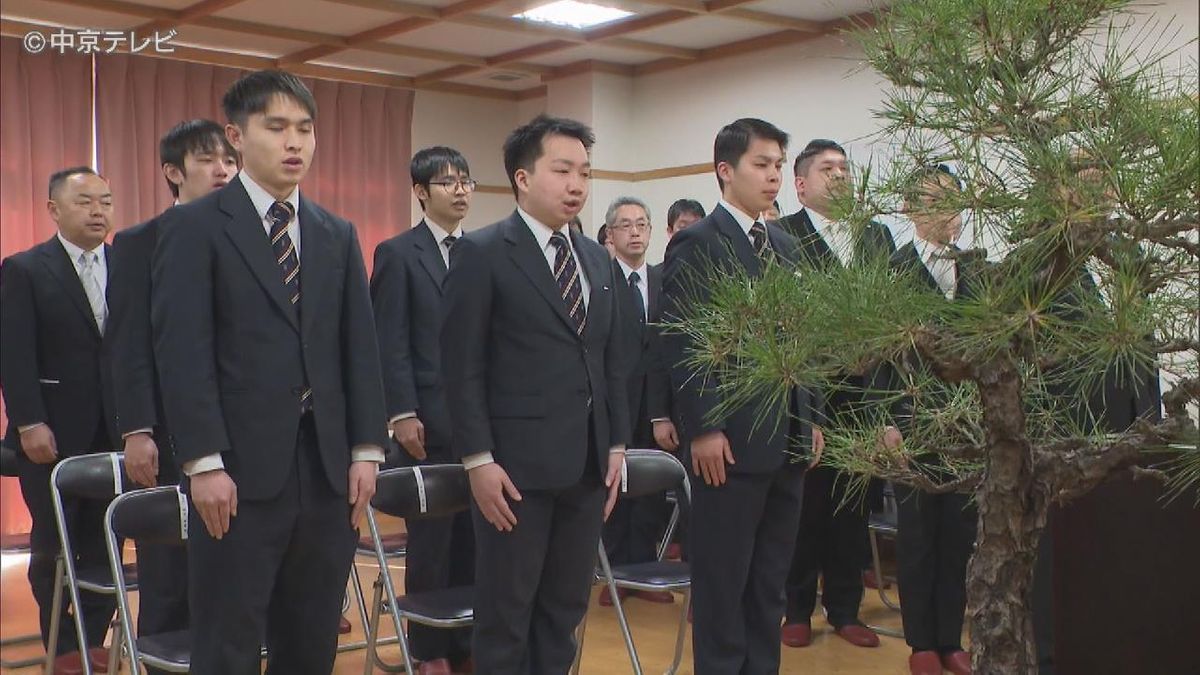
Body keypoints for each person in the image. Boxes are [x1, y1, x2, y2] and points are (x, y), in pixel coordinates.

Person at [151, 70, 388, 675]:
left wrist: (366, 448)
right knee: (229, 640)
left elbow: (359, 348)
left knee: (310, 638)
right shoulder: (195, 227)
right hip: (236, 473)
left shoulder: (336, 233)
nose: (295, 143)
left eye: (306, 129)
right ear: (236, 136)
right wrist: (203, 462)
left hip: (327, 470)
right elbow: (183, 353)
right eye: (277, 127)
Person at [440, 114, 630, 673]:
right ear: (523, 178)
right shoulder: (482, 252)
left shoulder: (597, 259)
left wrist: (616, 445)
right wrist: (478, 459)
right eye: (563, 170)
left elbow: (610, 360)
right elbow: (461, 367)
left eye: (585, 173)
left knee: (563, 610)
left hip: (588, 466)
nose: (577, 185)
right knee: (506, 613)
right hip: (513, 471)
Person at [661, 118, 823, 674]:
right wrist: (704, 426)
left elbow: (803, 335)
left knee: (768, 583)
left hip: (788, 438)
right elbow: (684, 340)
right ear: (726, 171)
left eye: (779, 164)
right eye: (762, 164)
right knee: (724, 583)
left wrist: (812, 415)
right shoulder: (697, 243)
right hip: (729, 441)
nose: (774, 175)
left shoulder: (784, 242)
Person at [107, 119, 238, 673]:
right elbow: (128, 344)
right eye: (209, 159)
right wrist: (137, 428)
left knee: (231, 571)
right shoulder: (140, 242)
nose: (224, 169)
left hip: (237, 429)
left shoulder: (245, 236)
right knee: (167, 570)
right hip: (166, 428)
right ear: (173, 172)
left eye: (229, 160)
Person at [778, 138, 897, 649]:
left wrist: (890, 411)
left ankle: (846, 608)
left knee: (854, 506)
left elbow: (894, 324)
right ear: (801, 184)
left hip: (866, 394)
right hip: (811, 395)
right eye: (828, 169)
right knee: (807, 507)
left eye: (846, 168)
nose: (841, 176)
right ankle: (797, 607)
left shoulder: (876, 237)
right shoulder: (785, 237)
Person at [0, 167, 118, 672]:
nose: (98, 212)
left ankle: (89, 643)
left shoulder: (127, 265)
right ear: (54, 209)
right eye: (86, 202)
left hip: (113, 432)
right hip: (48, 433)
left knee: (106, 544)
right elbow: (14, 352)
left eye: (106, 202)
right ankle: (62, 643)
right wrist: (28, 422)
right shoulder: (26, 268)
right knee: (52, 545)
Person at [370, 145, 477, 675]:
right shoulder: (398, 253)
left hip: (477, 423)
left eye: (465, 181)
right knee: (432, 541)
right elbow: (388, 341)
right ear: (420, 192)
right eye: (447, 182)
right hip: (424, 422)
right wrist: (401, 412)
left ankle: (465, 643)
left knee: (475, 538)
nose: (460, 190)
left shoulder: (482, 251)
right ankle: (429, 650)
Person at [888, 165, 979, 675]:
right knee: (918, 530)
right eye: (933, 199)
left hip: (966, 425)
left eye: (953, 199)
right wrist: (885, 419)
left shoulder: (979, 270)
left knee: (960, 532)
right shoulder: (894, 269)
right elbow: (876, 355)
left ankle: (952, 636)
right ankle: (921, 639)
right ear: (909, 208)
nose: (947, 209)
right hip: (911, 417)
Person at [597, 196, 675, 606]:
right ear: (610, 235)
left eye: (641, 225)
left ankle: (646, 572)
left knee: (650, 493)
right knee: (617, 489)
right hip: (615, 403)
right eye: (625, 225)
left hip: (658, 405)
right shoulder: (601, 280)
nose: (635, 232)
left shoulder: (665, 278)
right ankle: (614, 576)